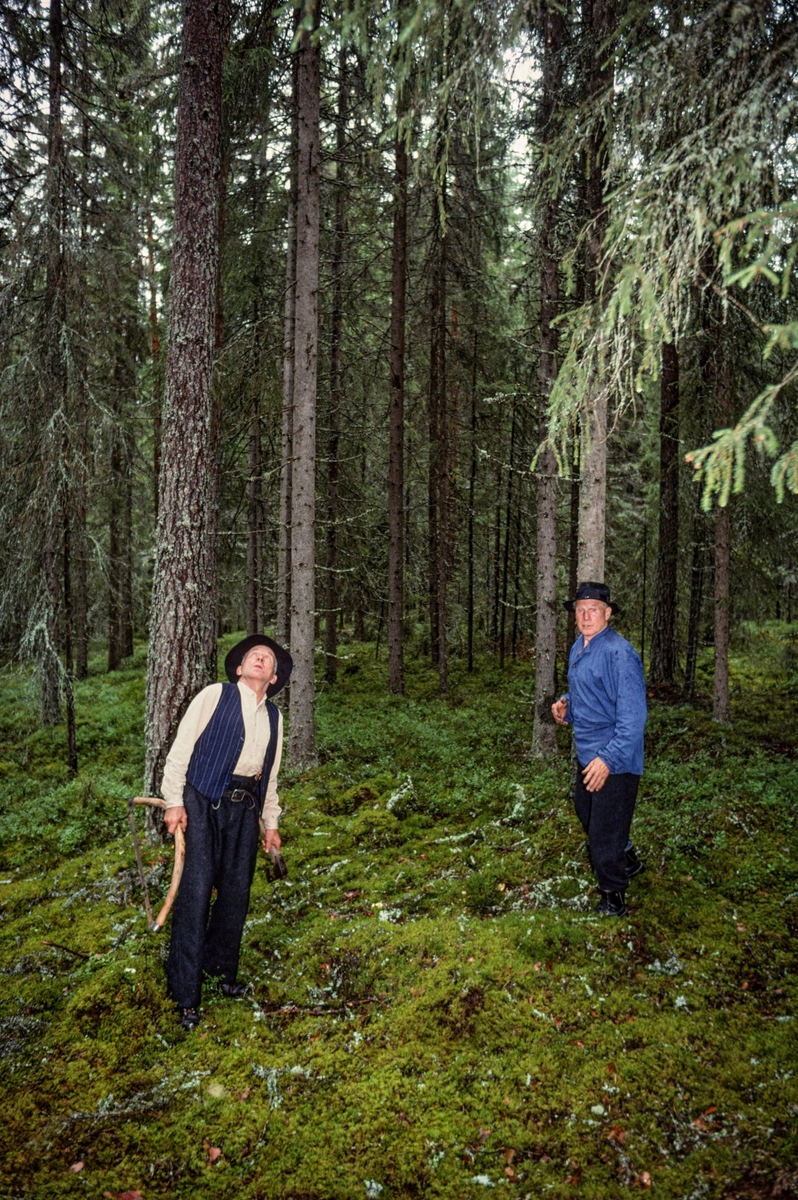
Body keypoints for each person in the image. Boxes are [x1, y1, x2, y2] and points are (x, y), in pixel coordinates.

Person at [161, 633, 292, 1029]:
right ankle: (184, 994)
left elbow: (269, 776)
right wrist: (173, 801)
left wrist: (270, 824)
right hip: (201, 801)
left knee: (236, 894)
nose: (259, 659)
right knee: (196, 892)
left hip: (244, 808)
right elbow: (182, 749)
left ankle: (220, 975)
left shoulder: (274, 718)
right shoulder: (213, 696)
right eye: (253, 655)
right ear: (239, 668)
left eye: (267, 658)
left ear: (273, 678)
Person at [551, 582, 647, 916]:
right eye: (580, 609)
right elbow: (589, 698)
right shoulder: (579, 647)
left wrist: (607, 760)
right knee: (586, 809)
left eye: (593, 609)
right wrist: (567, 706)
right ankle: (629, 858)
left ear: (607, 613)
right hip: (588, 753)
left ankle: (613, 897)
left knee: (603, 831)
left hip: (615, 760)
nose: (585, 615)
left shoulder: (620, 654)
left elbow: (633, 720)